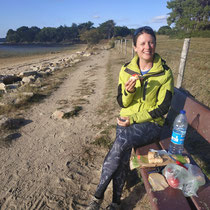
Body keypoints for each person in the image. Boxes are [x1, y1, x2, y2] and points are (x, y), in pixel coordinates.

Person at [87, 26, 174, 210]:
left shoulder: (164, 73)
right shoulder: (126, 70)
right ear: (135, 47)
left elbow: (163, 108)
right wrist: (130, 90)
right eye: (142, 43)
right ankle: (116, 203)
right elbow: (123, 103)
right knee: (122, 150)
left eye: (151, 42)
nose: (147, 47)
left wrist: (133, 120)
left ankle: (97, 196)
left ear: (155, 44)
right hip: (127, 120)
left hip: (151, 124)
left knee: (121, 142)